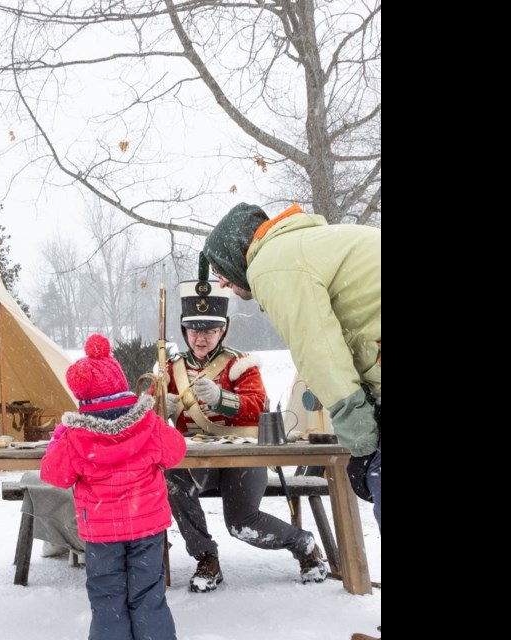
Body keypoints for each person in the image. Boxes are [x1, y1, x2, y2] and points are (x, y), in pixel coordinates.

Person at [203, 202, 381, 531]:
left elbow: (319, 348)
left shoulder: (272, 265)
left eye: (221, 273)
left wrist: (362, 442)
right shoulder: (304, 247)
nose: (223, 284)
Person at [162, 272, 328, 592]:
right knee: (172, 480)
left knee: (241, 524)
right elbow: (153, 425)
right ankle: (206, 557)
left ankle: (303, 544)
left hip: (243, 455)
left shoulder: (240, 363)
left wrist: (223, 399)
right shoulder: (170, 370)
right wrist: (160, 407)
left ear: (223, 329)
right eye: (194, 329)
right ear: (184, 329)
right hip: (197, 461)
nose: (200, 338)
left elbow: (257, 406)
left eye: (209, 330)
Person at [41, 334, 186, 640]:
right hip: (146, 528)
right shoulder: (147, 424)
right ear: (121, 385)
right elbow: (176, 451)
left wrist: (58, 440)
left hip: (102, 533)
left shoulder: (75, 437)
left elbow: (54, 474)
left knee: (107, 600)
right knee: (149, 596)